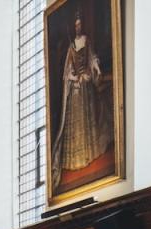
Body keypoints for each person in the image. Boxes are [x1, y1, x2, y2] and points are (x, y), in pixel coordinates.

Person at [52, 11, 112, 179]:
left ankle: (88, 153)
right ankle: (77, 158)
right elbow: (67, 71)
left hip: (86, 81)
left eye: (80, 25)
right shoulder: (71, 47)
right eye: (76, 25)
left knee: (88, 119)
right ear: (74, 27)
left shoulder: (86, 40)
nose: (78, 27)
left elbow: (92, 57)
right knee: (76, 122)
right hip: (77, 86)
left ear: (82, 26)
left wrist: (96, 68)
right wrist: (74, 77)